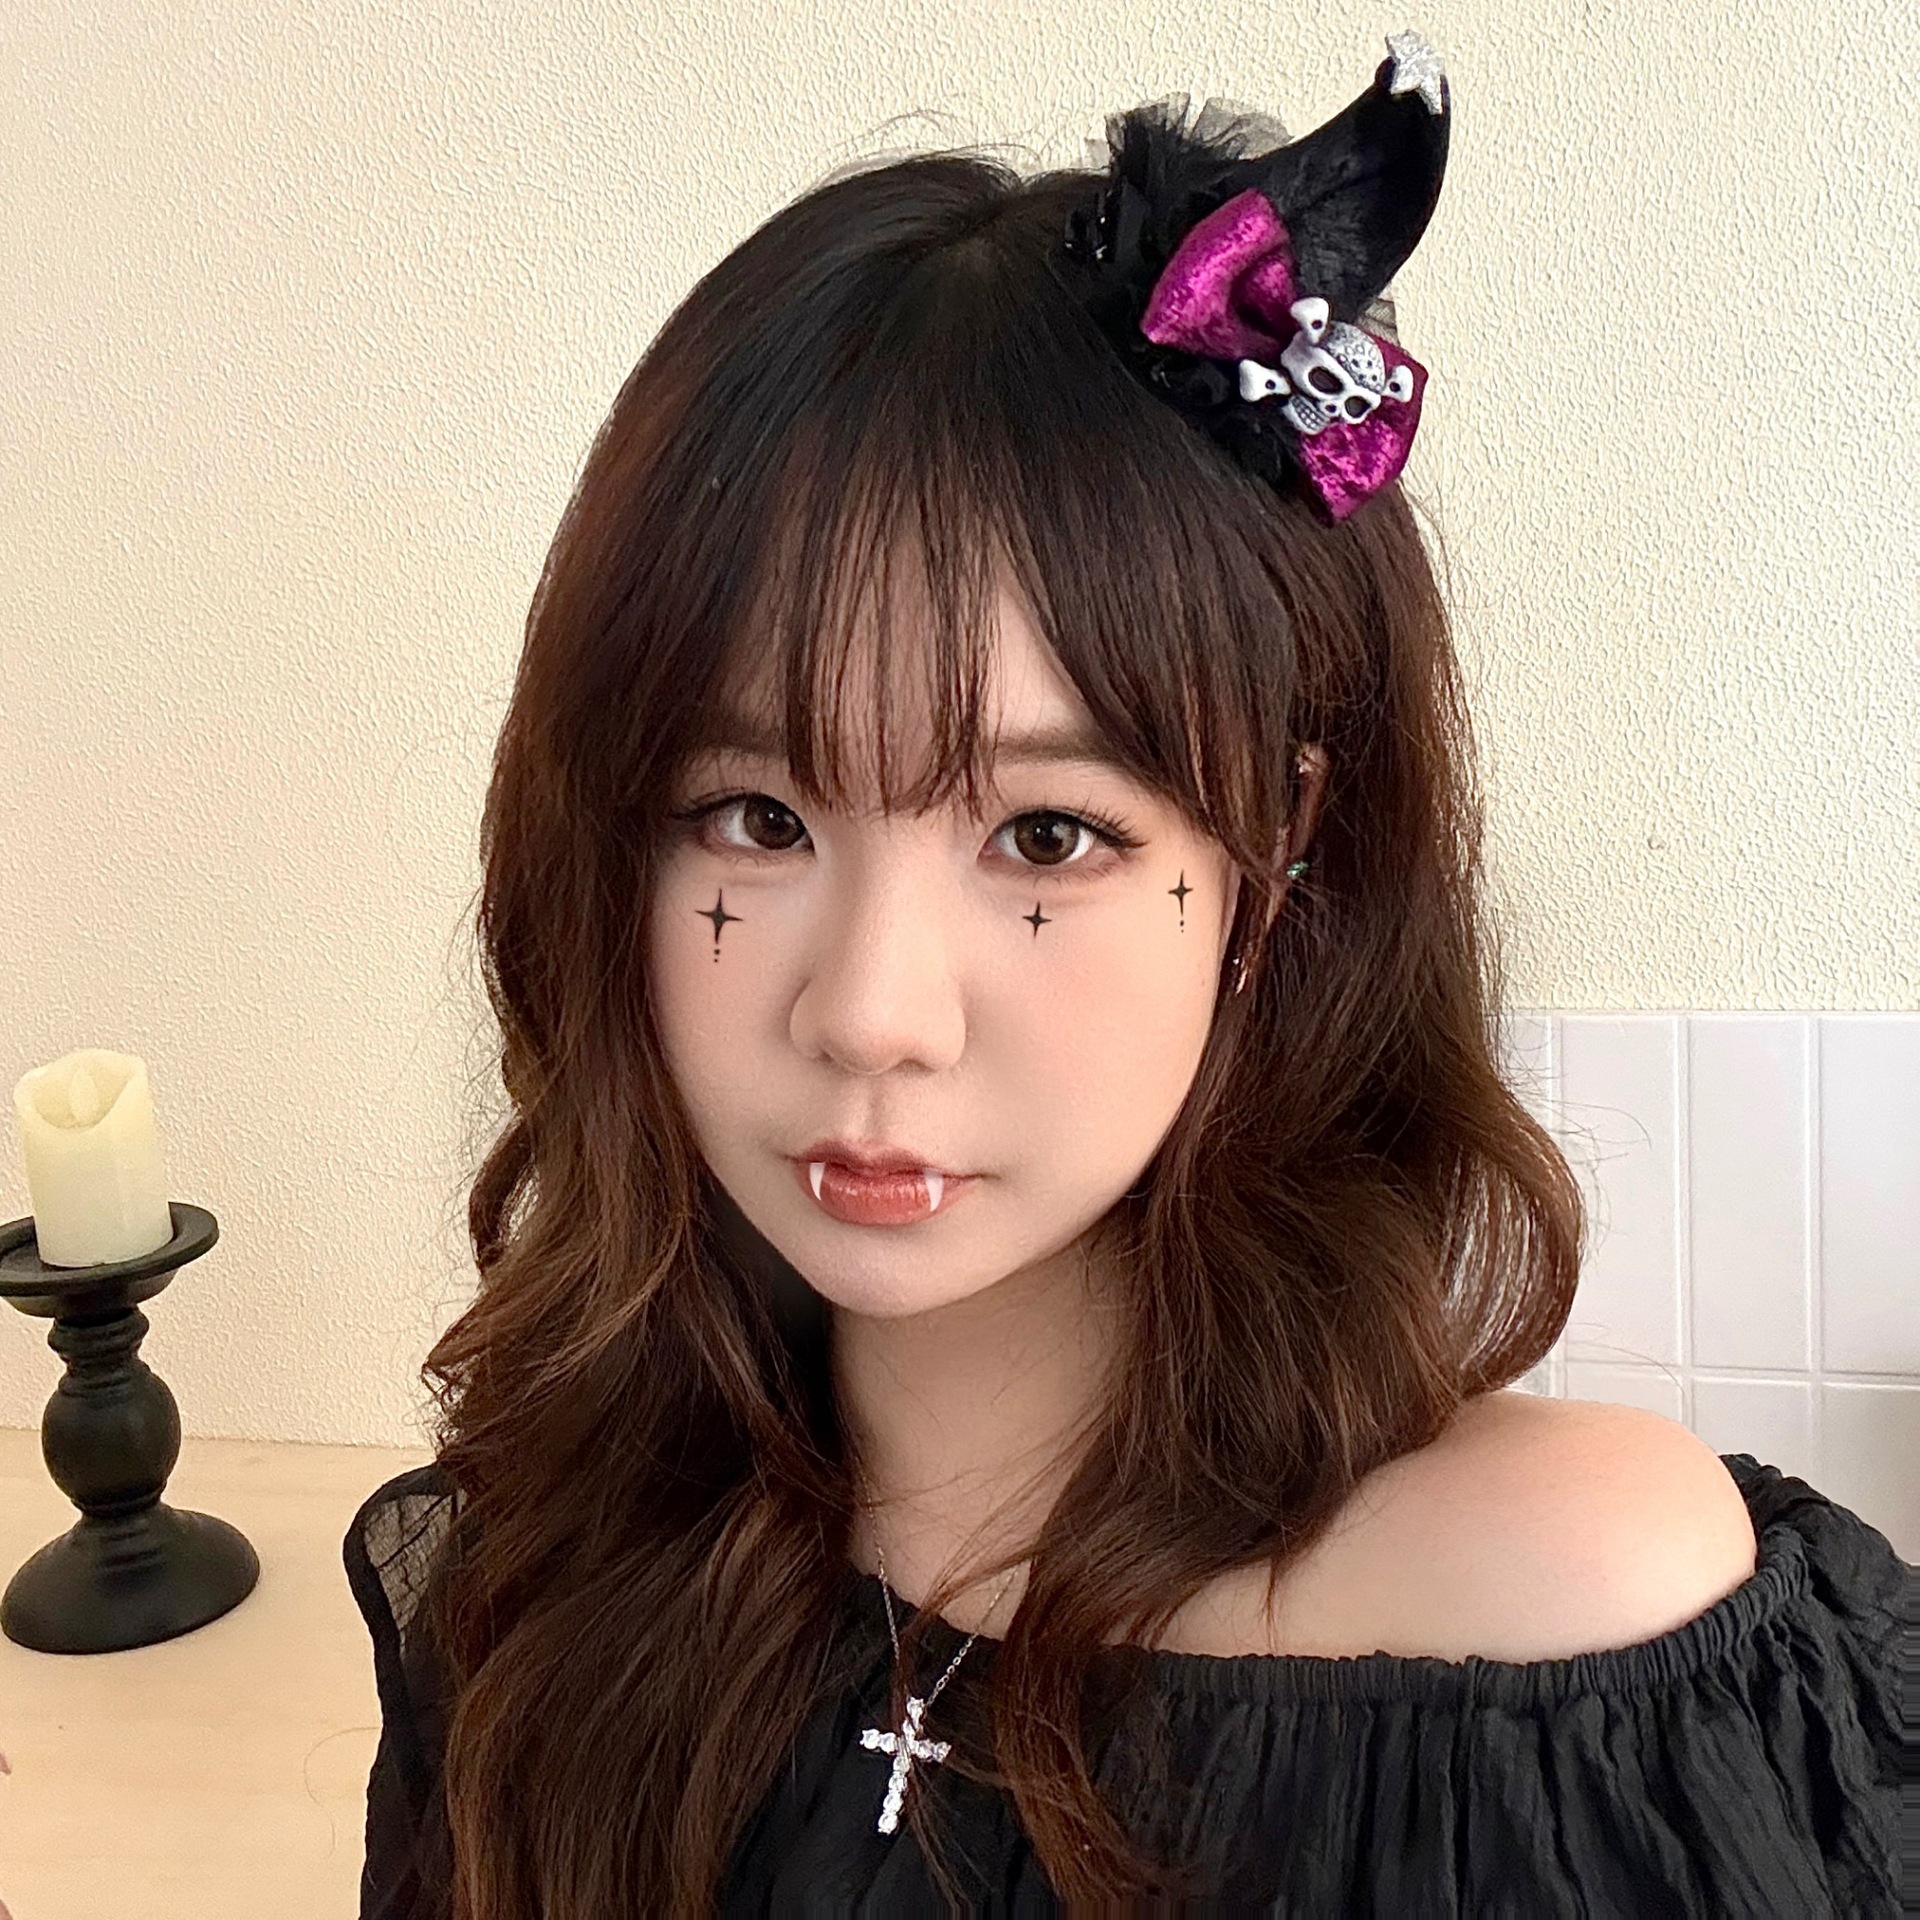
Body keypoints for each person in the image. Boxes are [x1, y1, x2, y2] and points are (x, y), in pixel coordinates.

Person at [343, 29, 1911, 1916]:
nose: (870, 1014)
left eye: (1045, 836)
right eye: (755, 817)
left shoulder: (1566, 1651)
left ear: (1277, 855)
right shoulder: (547, 1569)